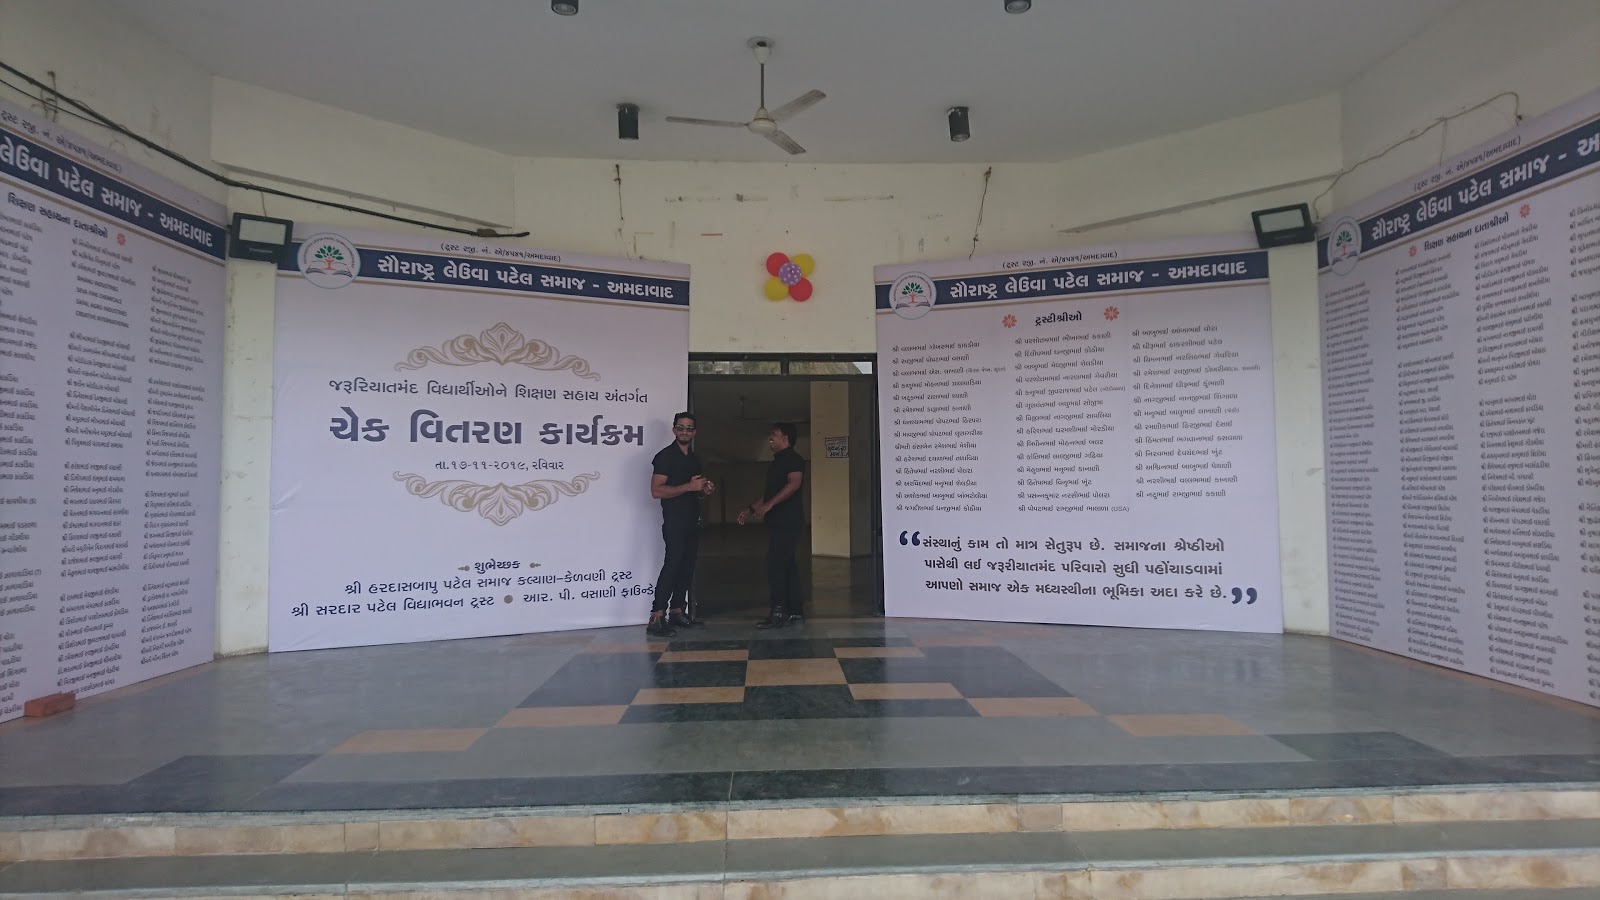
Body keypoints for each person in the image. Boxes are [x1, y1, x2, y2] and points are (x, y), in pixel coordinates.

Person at [648, 411, 713, 637]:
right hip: (674, 521)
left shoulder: (694, 458)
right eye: (681, 427)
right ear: (674, 430)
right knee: (673, 565)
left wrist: (703, 490)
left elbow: (695, 489)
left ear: (695, 432)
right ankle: (657, 616)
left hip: (692, 520)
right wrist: (689, 487)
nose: (685, 432)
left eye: (689, 428)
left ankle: (677, 611)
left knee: (687, 566)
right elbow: (656, 491)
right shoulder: (665, 457)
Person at [737, 422, 805, 629]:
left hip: (788, 522)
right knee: (787, 565)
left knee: (775, 565)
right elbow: (769, 494)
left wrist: (770, 505)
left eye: (774, 434)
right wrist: (752, 508)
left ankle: (779, 611)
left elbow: (794, 484)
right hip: (779, 523)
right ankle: (795, 611)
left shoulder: (793, 459)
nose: (770, 438)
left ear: (785, 438)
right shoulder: (777, 462)